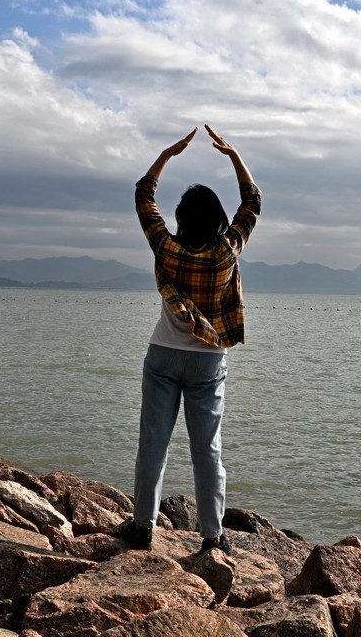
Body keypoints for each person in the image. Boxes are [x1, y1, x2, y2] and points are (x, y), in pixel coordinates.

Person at [118, 124, 261, 555]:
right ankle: (213, 537)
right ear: (217, 219)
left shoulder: (166, 248)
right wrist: (234, 155)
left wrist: (167, 154)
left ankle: (143, 528)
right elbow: (252, 202)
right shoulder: (226, 251)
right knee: (207, 450)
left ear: (181, 218)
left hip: (162, 354)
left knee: (153, 444)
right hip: (207, 362)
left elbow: (144, 195)